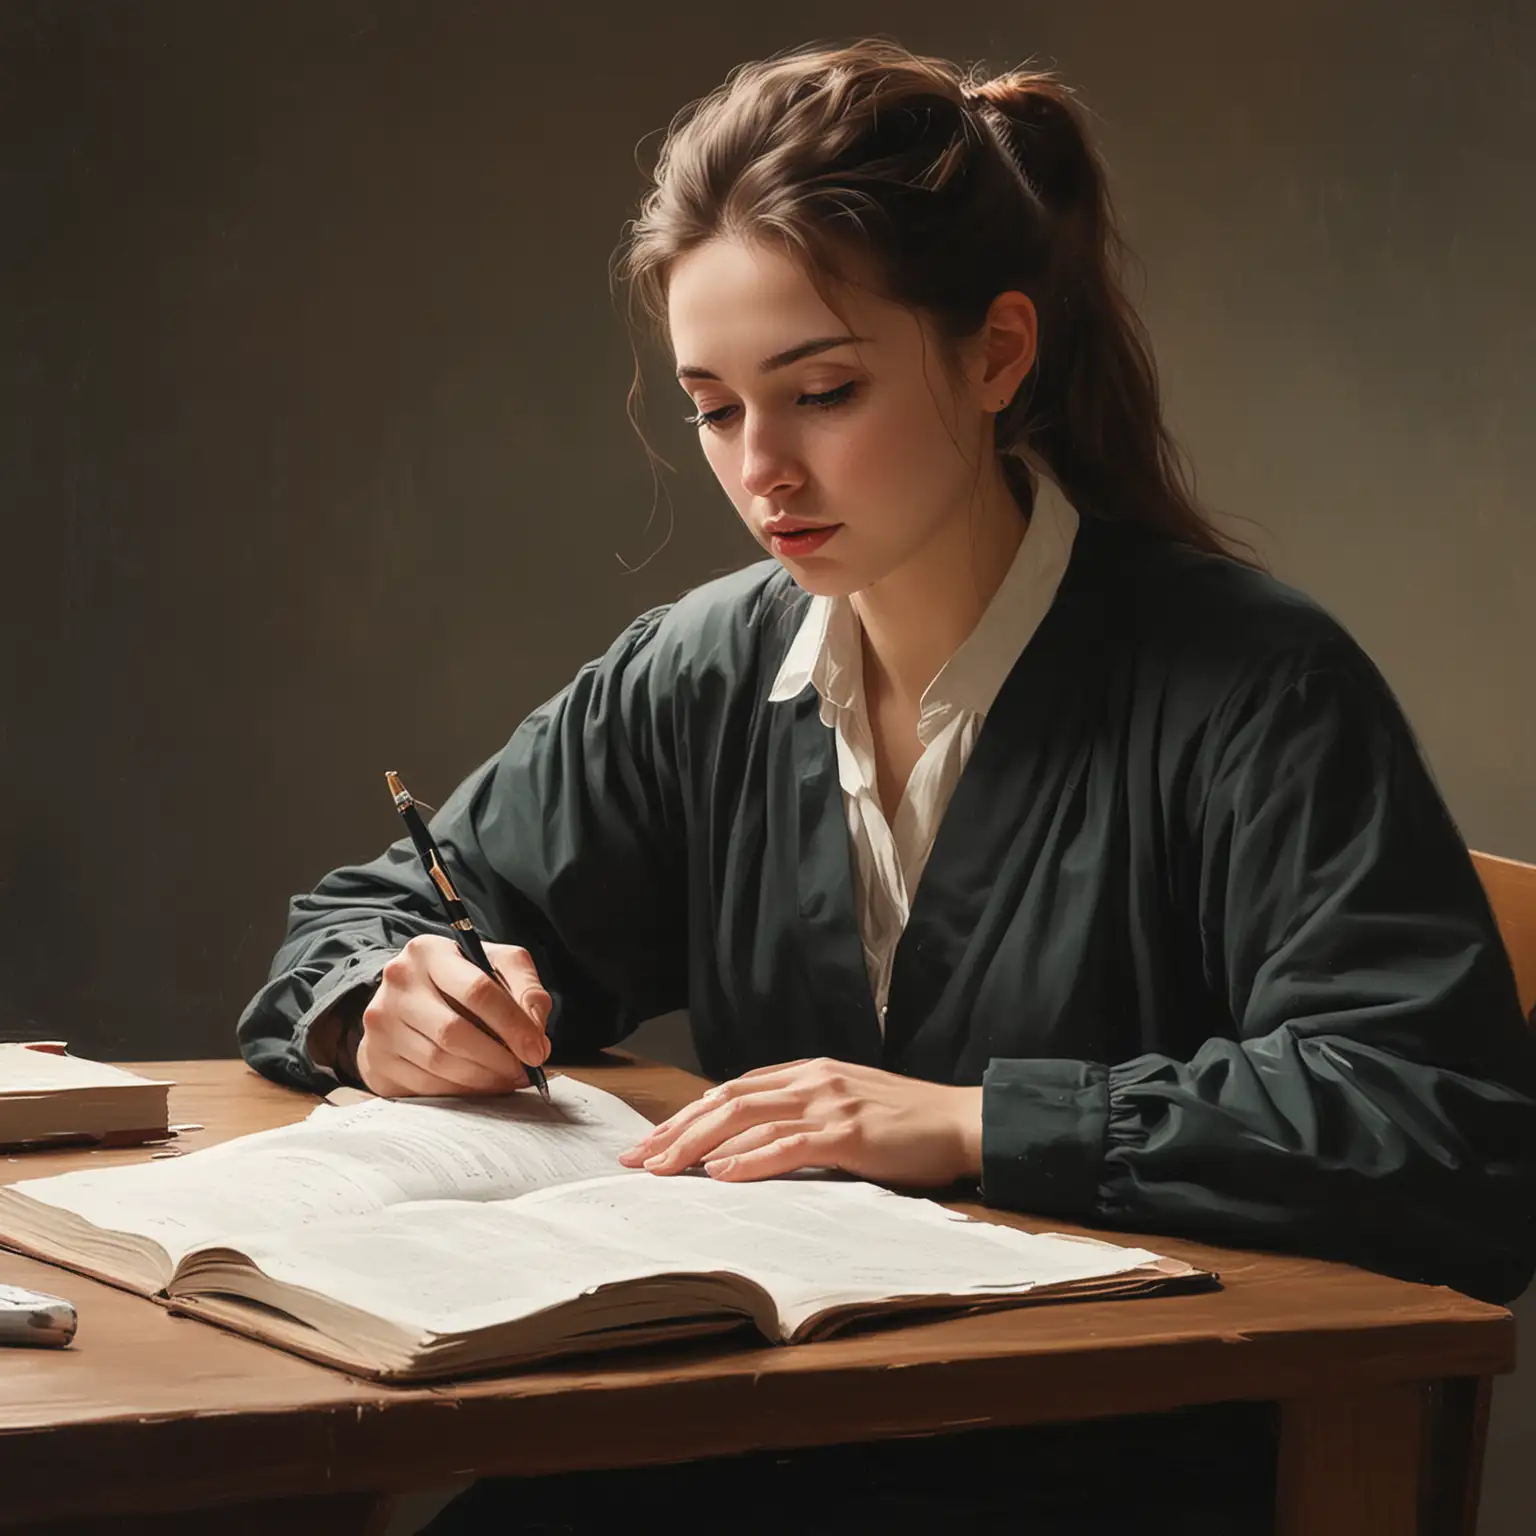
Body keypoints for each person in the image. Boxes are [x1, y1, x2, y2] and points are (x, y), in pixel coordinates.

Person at [238, 38, 1536, 1534]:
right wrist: (383, 1000)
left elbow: (1438, 1130)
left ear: (995, 353)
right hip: (750, 1440)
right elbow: (383, 909)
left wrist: (975, 1122)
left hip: (1101, 1467)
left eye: (825, 390)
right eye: (716, 409)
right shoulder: (703, 669)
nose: (763, 470)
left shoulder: (1251, 684)